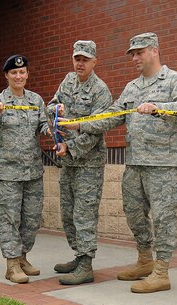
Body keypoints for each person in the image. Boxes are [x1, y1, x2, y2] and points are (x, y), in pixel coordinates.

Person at [64, 32, 177, 293]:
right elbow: (113, 115)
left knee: (163, 219)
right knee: (135, 215)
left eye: (139, 52)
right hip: (135, 165)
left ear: (154, 51)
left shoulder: (173, 79)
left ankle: (161, 272)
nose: (134, 58)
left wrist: (158, 106)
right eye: (132, 54)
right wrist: (82, 123)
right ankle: (145, 260)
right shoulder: (132, 87)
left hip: (164, 167)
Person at [0, 55, 50, 284]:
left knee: (31, 218)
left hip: (33, 171)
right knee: (10, 218)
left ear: (27, 74)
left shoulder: (35, 100)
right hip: (8, 172)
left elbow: (43, 123)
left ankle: (22, 257)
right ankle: (11, 264)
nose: (18, 76)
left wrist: (51, 130)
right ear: (7, 76)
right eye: (14, 73)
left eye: (22, 72)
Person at [45, 40, 112, 286]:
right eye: (77, 58)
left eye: (85, 59)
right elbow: (50, 106)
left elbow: (97, 128)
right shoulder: (67, 81)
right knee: (68, 212)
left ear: (95, 61)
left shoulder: (100, 90)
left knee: (84, 213)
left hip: (88, 163)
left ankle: (86, 264)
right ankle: (78, 254)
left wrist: (69, 147)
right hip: (68, 162)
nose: (80, 63)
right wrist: (55, 108)